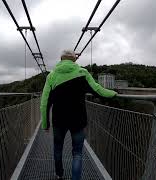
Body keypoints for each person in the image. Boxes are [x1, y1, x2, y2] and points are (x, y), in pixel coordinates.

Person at [40, 49, 117, 180]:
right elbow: (97, 90)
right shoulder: (82, 72)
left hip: (59, 121)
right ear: (74, 59)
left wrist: (45, 124)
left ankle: (59, 174)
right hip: (78, 120)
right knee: (77, 153)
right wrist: (114, 94)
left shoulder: (51, 76)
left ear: (61, 59)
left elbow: (44, 102)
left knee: (58, 149)